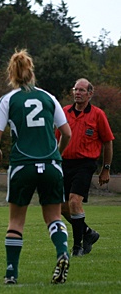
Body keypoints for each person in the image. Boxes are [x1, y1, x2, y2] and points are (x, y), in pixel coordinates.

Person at [0, 50, 72, 285]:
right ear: (31, 71)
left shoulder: (8, 99)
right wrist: (57, 154)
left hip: (22, 165)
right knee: (54, 217)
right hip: (51, 164)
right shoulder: (48, 97)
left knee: (16, 222)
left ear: (11, 74)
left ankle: (11, 273)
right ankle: (62, 252)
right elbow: (67, 133)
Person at [56, 78, 114, 258]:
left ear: (90, 94)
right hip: (64, 163)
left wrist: (106, 168)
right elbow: (56, 138)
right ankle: (88, 233)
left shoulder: (98, 115)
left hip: (85, 164)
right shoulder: (64, 112)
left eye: (81, 90)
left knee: (75, 201)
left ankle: (77, 247)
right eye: (75, 90)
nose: (77, 93)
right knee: (61, 207)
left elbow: (108, 142)